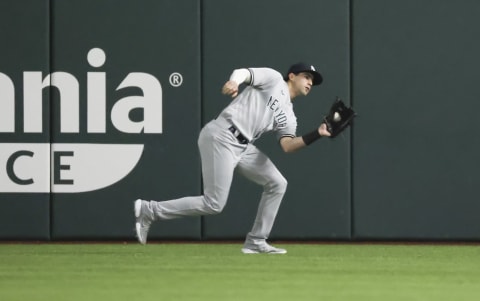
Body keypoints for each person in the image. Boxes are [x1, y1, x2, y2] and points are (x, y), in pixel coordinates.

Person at [134, 62, 331, 254]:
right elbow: (243, 72)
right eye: (307, 76)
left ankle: (256, 241)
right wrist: (235, 82)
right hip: (223, 135)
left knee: (278, 183)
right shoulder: (273, 79)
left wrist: (317, 133)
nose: (310, 82)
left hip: (243, 147)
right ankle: (150, 210)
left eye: (313, 80)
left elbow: (288, 146)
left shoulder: (289, 115)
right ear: (292, 76)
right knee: (214, 203)